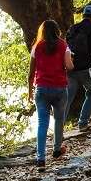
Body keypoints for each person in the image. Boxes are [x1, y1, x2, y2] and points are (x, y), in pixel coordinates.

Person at [28, 20, 74, 172]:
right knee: (59, 119)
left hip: (41, 89)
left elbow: (31, 73)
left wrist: (29, 91)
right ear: (57, 30)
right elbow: (69, 66)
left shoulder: (37, 46)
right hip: (60, 88)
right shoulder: (63, 45)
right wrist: (71, 59)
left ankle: (40, 159)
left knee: (42, 123)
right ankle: (56, 149)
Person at [65, 5, 91, 131]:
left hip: (70, 69)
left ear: (83, 15)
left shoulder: (73, 28)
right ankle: (83, 123)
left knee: (67, 99)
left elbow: (66, 49)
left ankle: (59, 128)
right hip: (86, 68)